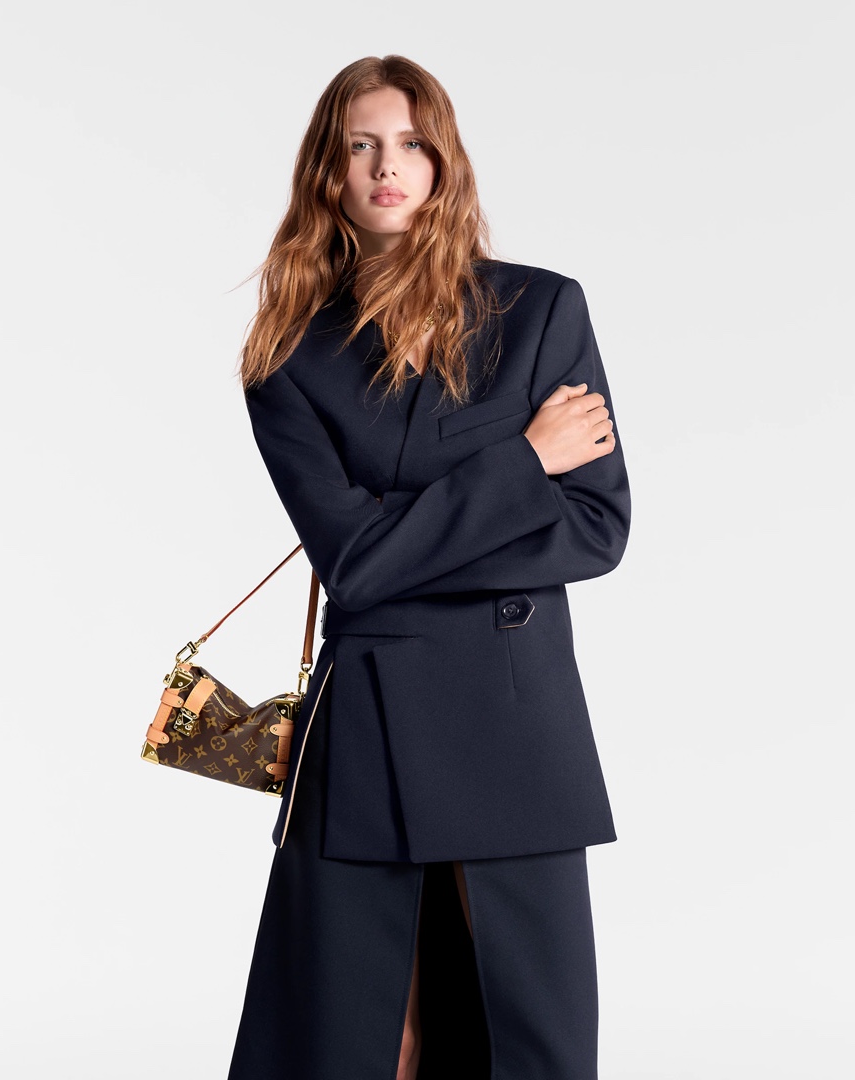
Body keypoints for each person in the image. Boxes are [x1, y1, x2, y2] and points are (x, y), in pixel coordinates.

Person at [227, 55, 630, 1080]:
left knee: (527, 1036)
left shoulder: (540, 311)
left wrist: (406, 535)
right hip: (369, 728)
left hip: (517, 721)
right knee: (367, 1038)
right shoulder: (288, 356)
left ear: (443, 162)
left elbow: (596, 529)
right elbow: (354, 565)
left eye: (410, 143)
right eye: (360, 145)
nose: (386, 166)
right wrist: (522, 464)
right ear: (327, 171)